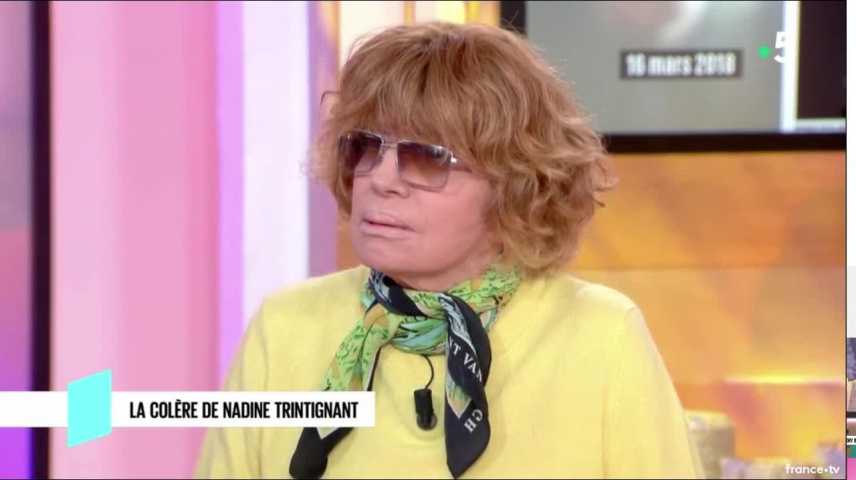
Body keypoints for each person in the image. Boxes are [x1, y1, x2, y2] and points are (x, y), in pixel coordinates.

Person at [195, 21, 703, 479]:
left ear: (514, 184)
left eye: (426, 157)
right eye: (365, 147)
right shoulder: (285, 326)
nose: (380, 179)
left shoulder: (602, 336)